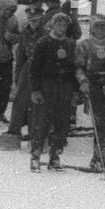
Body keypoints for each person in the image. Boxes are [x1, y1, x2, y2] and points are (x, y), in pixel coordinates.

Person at [28, 13, 79, 172]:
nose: (61, 28)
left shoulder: (70, 44)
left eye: (64, 25)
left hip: (65, 87)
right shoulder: (43, 43)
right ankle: (35, 157)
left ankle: (55, 157)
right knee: (42, 122)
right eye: (58, 24)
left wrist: (75, 91)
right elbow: (34, 68)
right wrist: (36, 89)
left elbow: (75, 68)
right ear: (52, 25)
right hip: (47, 86)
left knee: (62, 123)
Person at [74, 18, 105, 170]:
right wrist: (83, 81)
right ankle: (99, 158)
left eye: (102, 27)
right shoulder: (84, 45)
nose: (100, 30)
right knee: (101, 123)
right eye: (97, 27)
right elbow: (78, 66)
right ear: (92, 29)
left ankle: (101, 156)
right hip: (93, 86)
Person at [1, 1, 46, 147]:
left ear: (41, 19)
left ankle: (36, 136)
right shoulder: (25, 33)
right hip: (27, 69)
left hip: (42, 69)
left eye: (36, 20)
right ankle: (14, 133)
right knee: (20, 101)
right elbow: (20, 56)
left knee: (37, 103)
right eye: (31, 20)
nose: (33, 23)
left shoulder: (46, 33)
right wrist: (17, 76)